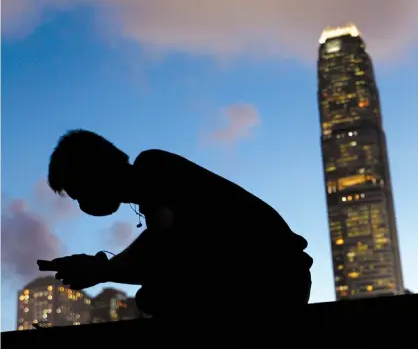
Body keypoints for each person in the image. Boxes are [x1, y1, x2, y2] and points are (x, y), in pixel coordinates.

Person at [37, 129, 313, 324]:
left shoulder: (154, 165)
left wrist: (103, 269)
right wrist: (104, 269)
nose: (83, 204)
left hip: (273, 280)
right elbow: (165, 252)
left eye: (80, 191)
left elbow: (162, 247)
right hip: (271, 280)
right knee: (155, 297)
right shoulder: (156, 188)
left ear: (99, 169)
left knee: (157, 297)